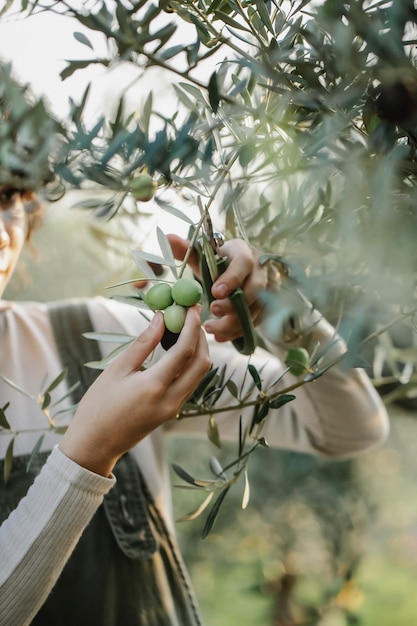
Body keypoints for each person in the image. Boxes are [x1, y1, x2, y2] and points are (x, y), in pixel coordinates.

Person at [0, 84, 389, 626]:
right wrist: (88, 455)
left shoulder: (100, 337)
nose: (2, 232)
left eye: (10, 197)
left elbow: (351, 429)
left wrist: (279, 314)